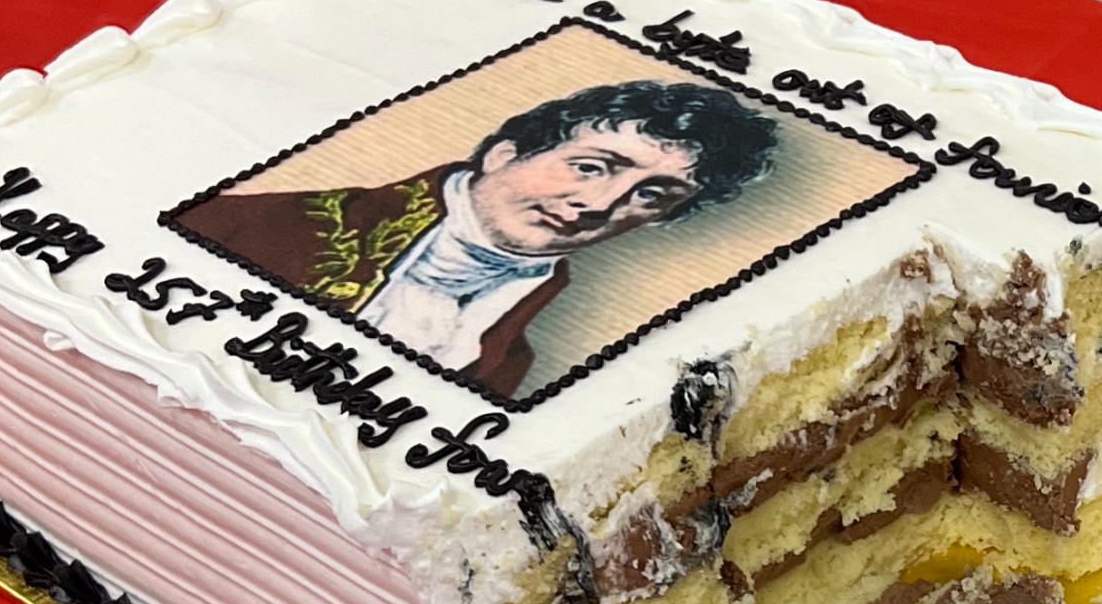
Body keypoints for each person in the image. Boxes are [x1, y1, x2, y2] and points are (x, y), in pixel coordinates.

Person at [179, 81, 775, 396]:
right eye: (592, 167)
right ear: (503, 154)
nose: (598, 206)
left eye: (650, 196)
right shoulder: (249, 227)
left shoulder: (506, 361)